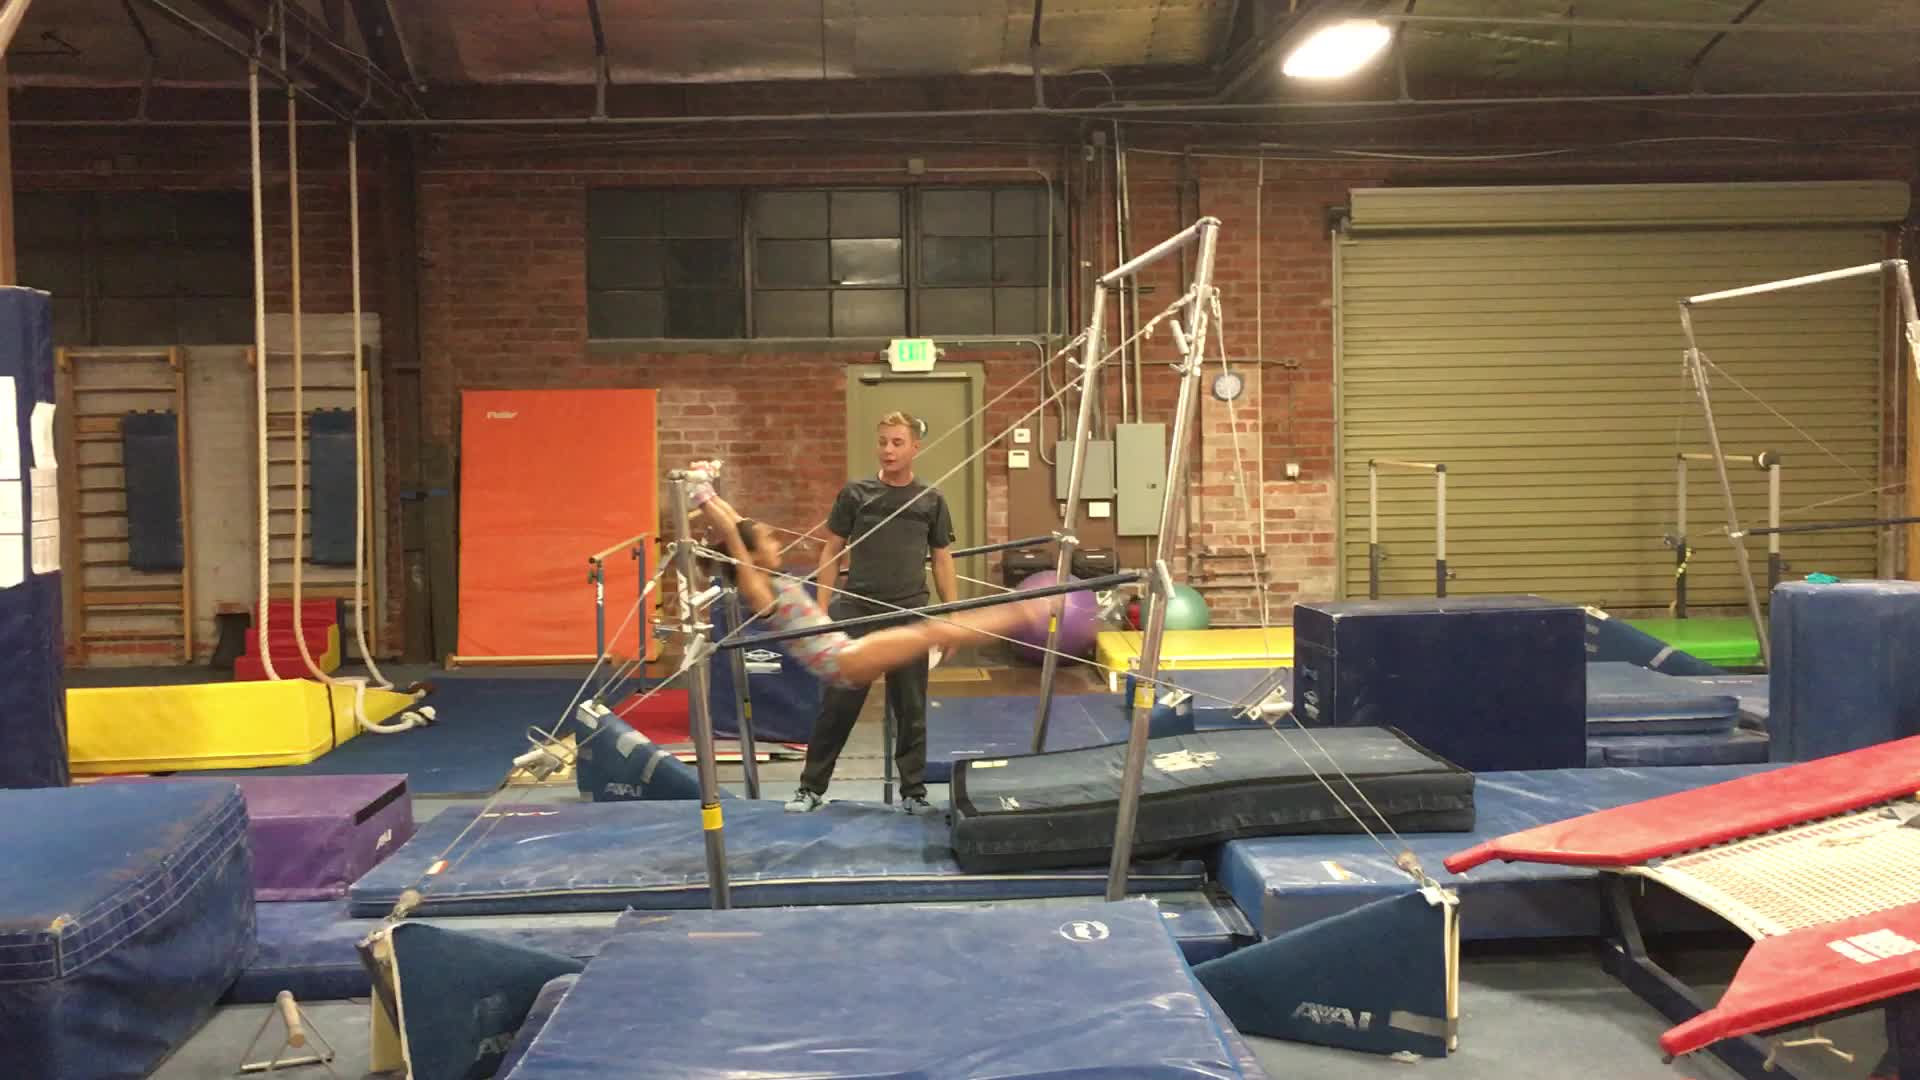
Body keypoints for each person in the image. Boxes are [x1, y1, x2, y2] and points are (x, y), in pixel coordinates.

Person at [686, 480, 1038, 726]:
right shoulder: (759, 592)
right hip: (840, 661)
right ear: (751, 557)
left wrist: (707, 494)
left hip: (844, 651)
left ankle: (1020, 613)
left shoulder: (768, 578)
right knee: (932, 632)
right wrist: (701, 500)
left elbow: (738, 525)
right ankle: (1023, 613)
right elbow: (734, 537)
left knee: (930, 634)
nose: (777, 544)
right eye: (769, 541)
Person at [781, 412, 959, 815]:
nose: (888, 450)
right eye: (883, 442)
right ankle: (811, 788)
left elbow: (942, 558)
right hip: (857, 610)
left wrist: (950, 616)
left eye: (897, 442)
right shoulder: (855, 494)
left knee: (910, 709)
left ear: (915, 447)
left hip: (909, 611)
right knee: (838, 705)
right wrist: (821, 611)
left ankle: (913, 792)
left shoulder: (930, 500)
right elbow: (831, 550)